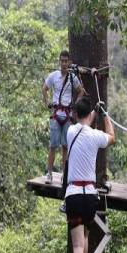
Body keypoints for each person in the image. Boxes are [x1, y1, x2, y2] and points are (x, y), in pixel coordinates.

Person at [65, 95, 115, 253]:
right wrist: (104, 115)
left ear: (77, 114)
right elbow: (112, 137)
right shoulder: (96, 136)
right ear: (92, 115)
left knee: (76, 245)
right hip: (90, 198)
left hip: (74, 195)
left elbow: (76, 116)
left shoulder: (70, 132)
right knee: (84, 233)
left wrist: (89, 109)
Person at [42, 50, 85, 184]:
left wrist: (75, 105)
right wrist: (47, 103)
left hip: (67, 115)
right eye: (62, 61)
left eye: (66, 61)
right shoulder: (53, 76)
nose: (64, 63)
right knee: (53, 145)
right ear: (59, 62)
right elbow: (44, 88)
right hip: (56, 114)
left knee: (65, 146)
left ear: (69, 62)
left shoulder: (73, 78)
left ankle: (64, 175)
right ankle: (49, 174)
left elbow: (81, 91)